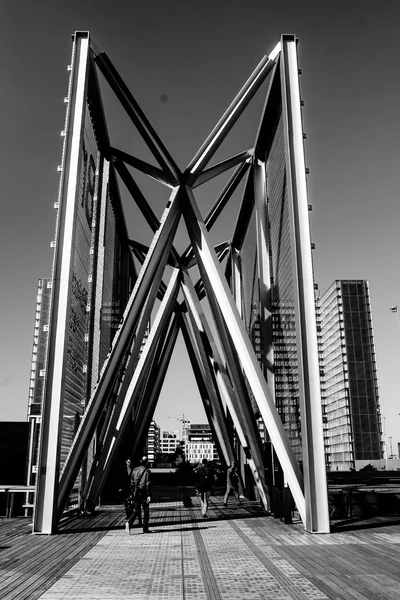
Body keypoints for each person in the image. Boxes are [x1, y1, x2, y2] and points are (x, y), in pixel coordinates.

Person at [126, 456, 151, 534]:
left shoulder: (134, 470)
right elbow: (148, 484)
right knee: (146, 510)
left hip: (136, 492)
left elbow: (131, 481)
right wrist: (149, 494)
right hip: (143, 492)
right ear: (146, 462)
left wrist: (128, 465)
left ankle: (129, 523)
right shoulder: (147, 471)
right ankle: (145, 529)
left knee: (137, 510)